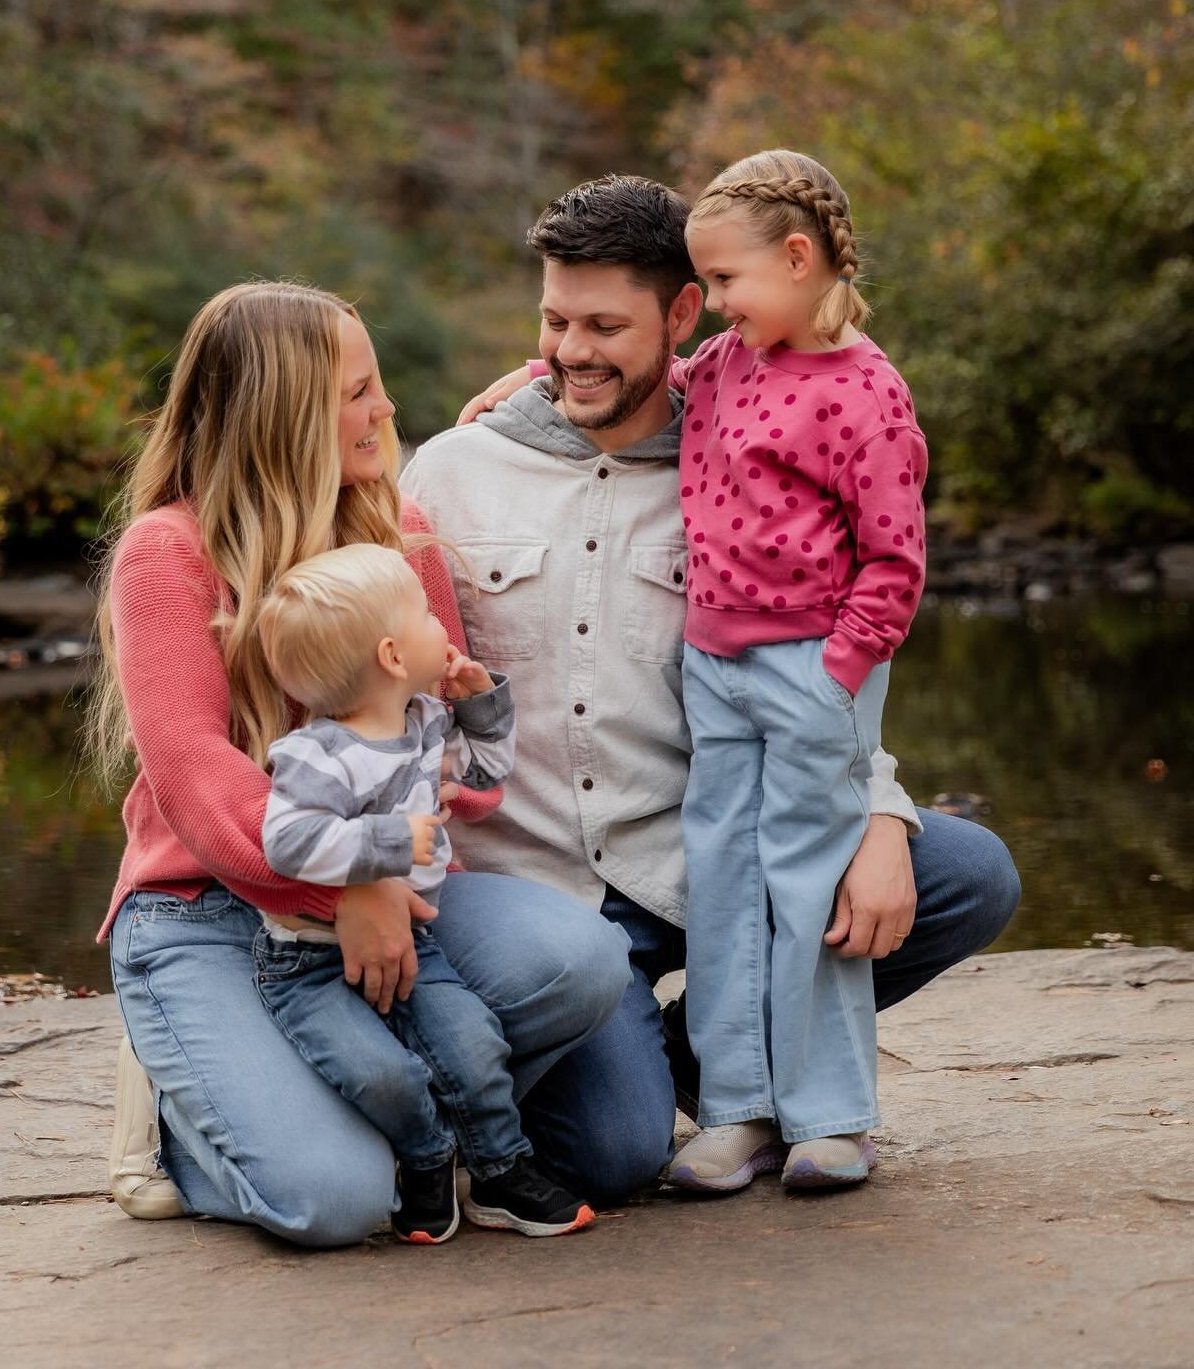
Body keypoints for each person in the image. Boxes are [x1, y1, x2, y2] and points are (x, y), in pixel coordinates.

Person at [404, 174, 1021, 1206]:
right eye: (554, 321)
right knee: (612, 1156)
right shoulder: (453, 472)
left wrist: (876, 808)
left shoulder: (731, 438)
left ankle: (742, 1071)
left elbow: (824, 625)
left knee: (965, 872)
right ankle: (676, 1071)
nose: (571, 351)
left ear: (687, 314)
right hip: (542, 898)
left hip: (683, 855)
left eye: (607, 325)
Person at [90, 280, 631, 1245]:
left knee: (583, 962)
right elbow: (195, 775)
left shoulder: (397, 540)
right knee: (335, 1201)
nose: (385, 409)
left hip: (400, 898)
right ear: (282, 412)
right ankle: (177, 1115)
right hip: (208, 912)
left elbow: (455, 770)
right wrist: (351, 880)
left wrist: (463, 730)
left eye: (378, 385)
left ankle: (421, 1121)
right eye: (358, 392)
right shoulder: (166, 554)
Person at [667, 150, 927, 1194]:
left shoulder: (867, 394)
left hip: (814, 666)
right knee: (723, 886)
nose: (716, 306)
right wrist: (533, 380)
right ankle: (737, 1111)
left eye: (727, 282)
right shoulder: (732, 360)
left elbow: (895, 561)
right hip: (711, 663)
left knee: (805, 886)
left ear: (799, 256)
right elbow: (662, 385)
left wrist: (839, 671)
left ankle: (832, 1114)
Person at [254, 543, 596, 1242]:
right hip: (307, 965)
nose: (442, 622)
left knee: (472, 1046)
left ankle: (501, 1172)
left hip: (415, 938)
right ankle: (427, 1160)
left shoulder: (423, 724)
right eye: (426, 614)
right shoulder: (315, 753)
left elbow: (483, 774)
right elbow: (286, 843)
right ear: (390, 654)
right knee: (387, 1075)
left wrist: (479, 705)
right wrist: (385, 847)